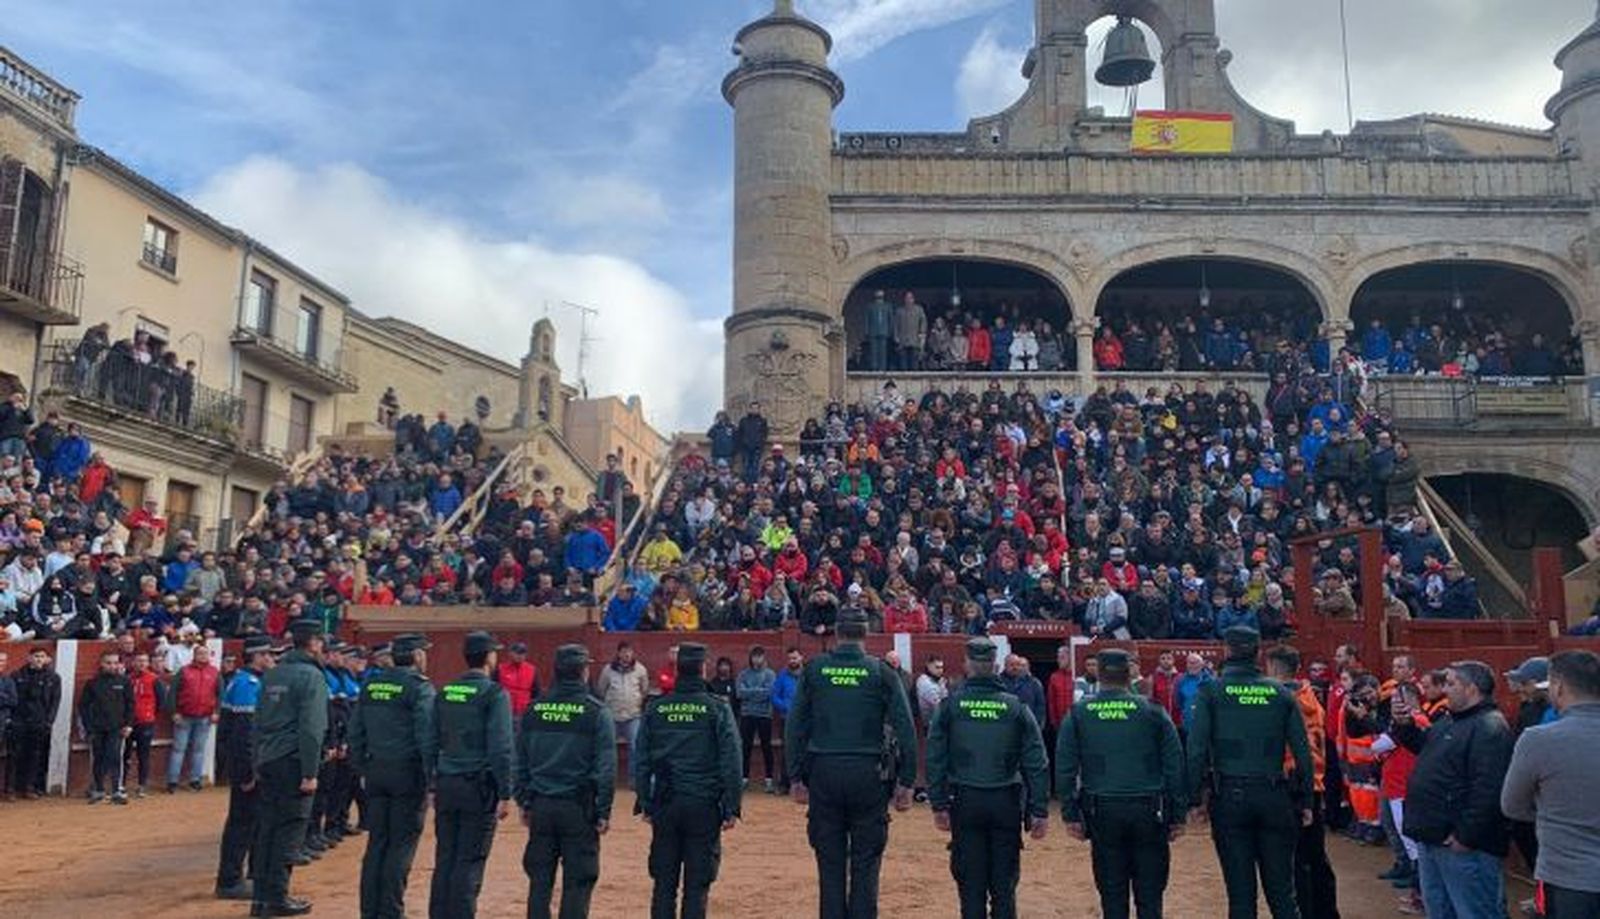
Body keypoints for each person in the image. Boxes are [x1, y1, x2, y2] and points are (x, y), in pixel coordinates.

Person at [787, 608, 918, 919]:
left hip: (824, 772)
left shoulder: (815, 669)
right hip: (869, 775)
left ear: (835, 632)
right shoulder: (881, 671)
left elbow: (795, 725)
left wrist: (794, 776)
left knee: (829, 865)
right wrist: (907, 781)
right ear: (866, 634)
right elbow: (905, 727)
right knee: (866, 864)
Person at [1186, 627, 1313, 919]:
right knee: (1282, 893)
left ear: (1226, 652)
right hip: (1275, 794)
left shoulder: (1212, 691)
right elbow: (1303, 753)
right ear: (1258, 654)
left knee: (1241, 897)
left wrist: (1194, 798)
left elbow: (1196, 749)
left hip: (1230, 796)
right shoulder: (1280, 694)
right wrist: (1306, 800)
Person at [926, 637, 1050, 919]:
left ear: (967, 664)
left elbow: (935, 758)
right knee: (1004, 886)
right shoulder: (1016, 707)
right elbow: (1036, 762)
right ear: (995, 666)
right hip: (1005, 801)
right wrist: (1039, 808)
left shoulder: (950, 706)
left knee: (970, 885)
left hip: (965, 800)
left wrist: (938, 803)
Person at [1056, 648, 1186, 919]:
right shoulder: (1153, 711)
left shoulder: (1080, 712)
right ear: (1129, 674)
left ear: (1098, 674)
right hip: (1149, 811)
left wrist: (1070, 812)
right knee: (1150, 897)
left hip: (1102, 810)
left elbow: (1065, 766)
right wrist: (1178, 814)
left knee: (1112, 895)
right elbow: (1175, 766)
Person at [1393, 660, 1514, 919]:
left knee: (1475, 911)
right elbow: (1425, 747)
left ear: (1471, 689)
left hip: (1461, 844)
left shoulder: (1489, 726)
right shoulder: (1451, 722)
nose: (1444, 689)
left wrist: (1466, 835)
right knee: (1440, 909)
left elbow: (1489, 789)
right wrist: (1404, 725)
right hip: (1434, 836)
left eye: (1450, 683)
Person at [632, 642, 742, 919]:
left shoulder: (657, 708)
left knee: (664, 883)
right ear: (703, 669)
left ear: (678, 669)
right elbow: (731, 759)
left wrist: (645, 801)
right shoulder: (716, 708)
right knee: (697, 884)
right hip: (703, 803)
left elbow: (641, 759)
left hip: (666, 803)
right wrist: (732, 806)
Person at [517, 644, 617, 919]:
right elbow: (605, 768)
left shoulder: (535, 710)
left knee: (539, 881)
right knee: (578, 882)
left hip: (541, 805)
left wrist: (524, 800)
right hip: (578, 808)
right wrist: (603, 810)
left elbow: (521, 761)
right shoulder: (596, 713)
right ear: (584, 672)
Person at [1501, 649, 1600, 919]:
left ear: (1558, 687)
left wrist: (1552, 812)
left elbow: (1512, 805)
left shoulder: (1538, 739)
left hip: (1568, 875)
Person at [349, 633, 437, 919]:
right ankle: (390, 911)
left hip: (375, 771)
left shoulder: (372, 685)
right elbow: (426, 735)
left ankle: (370, 910)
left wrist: (361, 767)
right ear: (416, 657)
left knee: (377, 842)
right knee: (401, 845)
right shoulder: (420, 688)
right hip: (407, 773)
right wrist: (431, 777)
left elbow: (356, 730)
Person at [430, 630, 515, 919]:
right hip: (477, 787)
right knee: (469, 860)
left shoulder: (445, 691)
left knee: (445, 857)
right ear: (490, 657)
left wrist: (432, 784)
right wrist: (505, 791)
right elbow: (501, 747)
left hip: (446, 783)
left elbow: (432, 741)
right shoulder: (494, 693)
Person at [252, 619, 330, 917]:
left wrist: (257, 761)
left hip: (269, 759)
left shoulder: (272, 674)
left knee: (267, 829)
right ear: (312, 643)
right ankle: (277, 897)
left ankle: (260, 898)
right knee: (289, 832)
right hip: (293, 761)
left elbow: (257, 722)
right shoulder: (311, 677)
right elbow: (311, 729)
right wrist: (311, 772)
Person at [1264, 644, 1340, 919]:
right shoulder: (1310, 695)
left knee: (1296, 862)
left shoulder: (1281, 699)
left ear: (1272, 668)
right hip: (1314, 783)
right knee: (1316, 858)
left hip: (1292, 784)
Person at [216, 636, 276, 901]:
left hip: (248, 764)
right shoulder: (247, 684)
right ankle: (230, 881)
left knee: (249, 822)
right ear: (257, 656)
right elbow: (244, 734)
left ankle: (244, 875)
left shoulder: (244, 682)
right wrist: (248, 773)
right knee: (242, 823)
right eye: (268, 655)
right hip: (248, 768)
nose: (272, 660)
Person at [78, 650, 133, 804]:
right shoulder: (93, 683)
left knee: (115, 757)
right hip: (97, 728)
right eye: (108, 663)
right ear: (101, 664)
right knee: (98, 759)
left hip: (117, 728)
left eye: (115, 663)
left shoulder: (124, 682)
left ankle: (117, 790)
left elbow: (130, 705)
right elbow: (83, 706)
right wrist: (89, 727)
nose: (112, 666)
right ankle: (99, 790)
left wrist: (128, 724)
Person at [168, 642, 221, 792]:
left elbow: (220, 694)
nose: (202, 656)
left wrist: (217, 712)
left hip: (205, 716)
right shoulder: (184, 671)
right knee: (179, 749)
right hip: (184, 715)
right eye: (200, 653)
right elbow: (173, 693)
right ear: (194, 655)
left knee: (198, 750)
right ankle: (172, 781)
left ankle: (195, 780)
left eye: (205, 653)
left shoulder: (215, 672)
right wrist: (174, 712)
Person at [11, 646, 60, 799]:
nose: (39, 659)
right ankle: (11, 788)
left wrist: (49, 721)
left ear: (46, 659)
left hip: (40, 722)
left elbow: (55, 701)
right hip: (20, 721)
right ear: (29, 658)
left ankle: (30, 787)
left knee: (36, 756)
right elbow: (13, 699)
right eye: (36, 656)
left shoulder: (53, 677)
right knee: (16, 755)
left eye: (42, 656)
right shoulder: (17, 675)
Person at [594, 642, 650, 753]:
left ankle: (633, 771)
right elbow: (601, 690)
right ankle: (610, 770)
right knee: (608, 748)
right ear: (618, 653)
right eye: (624, 651)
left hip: (633, 716)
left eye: (630, 651)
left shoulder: (640, 669)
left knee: (635, 747)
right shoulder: (608, 670)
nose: (627, 655)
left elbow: (645, 690)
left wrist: (637, 703)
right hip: (612, 716)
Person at [736, 646, 778, 792]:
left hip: (764, 715)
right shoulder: (743, 674)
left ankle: (769, 780)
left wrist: (750, 692)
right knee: (745, 747)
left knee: (767, 747)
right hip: (747, 714)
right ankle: (744, 779)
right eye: (755, 656)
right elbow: (739, 693)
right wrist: (759, 691)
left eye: (760, 656)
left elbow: (769, 693)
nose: (757, 659)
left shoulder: (770, 674)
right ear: (751, 658)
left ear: (764, 658)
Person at [497, 641, 540, 726]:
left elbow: (536, 692)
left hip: (524, 712)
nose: (520, 656)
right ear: (510, 653)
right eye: (517, 653)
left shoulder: (532, 670)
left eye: (523, 653)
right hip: (505, 711)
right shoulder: (500, 669)